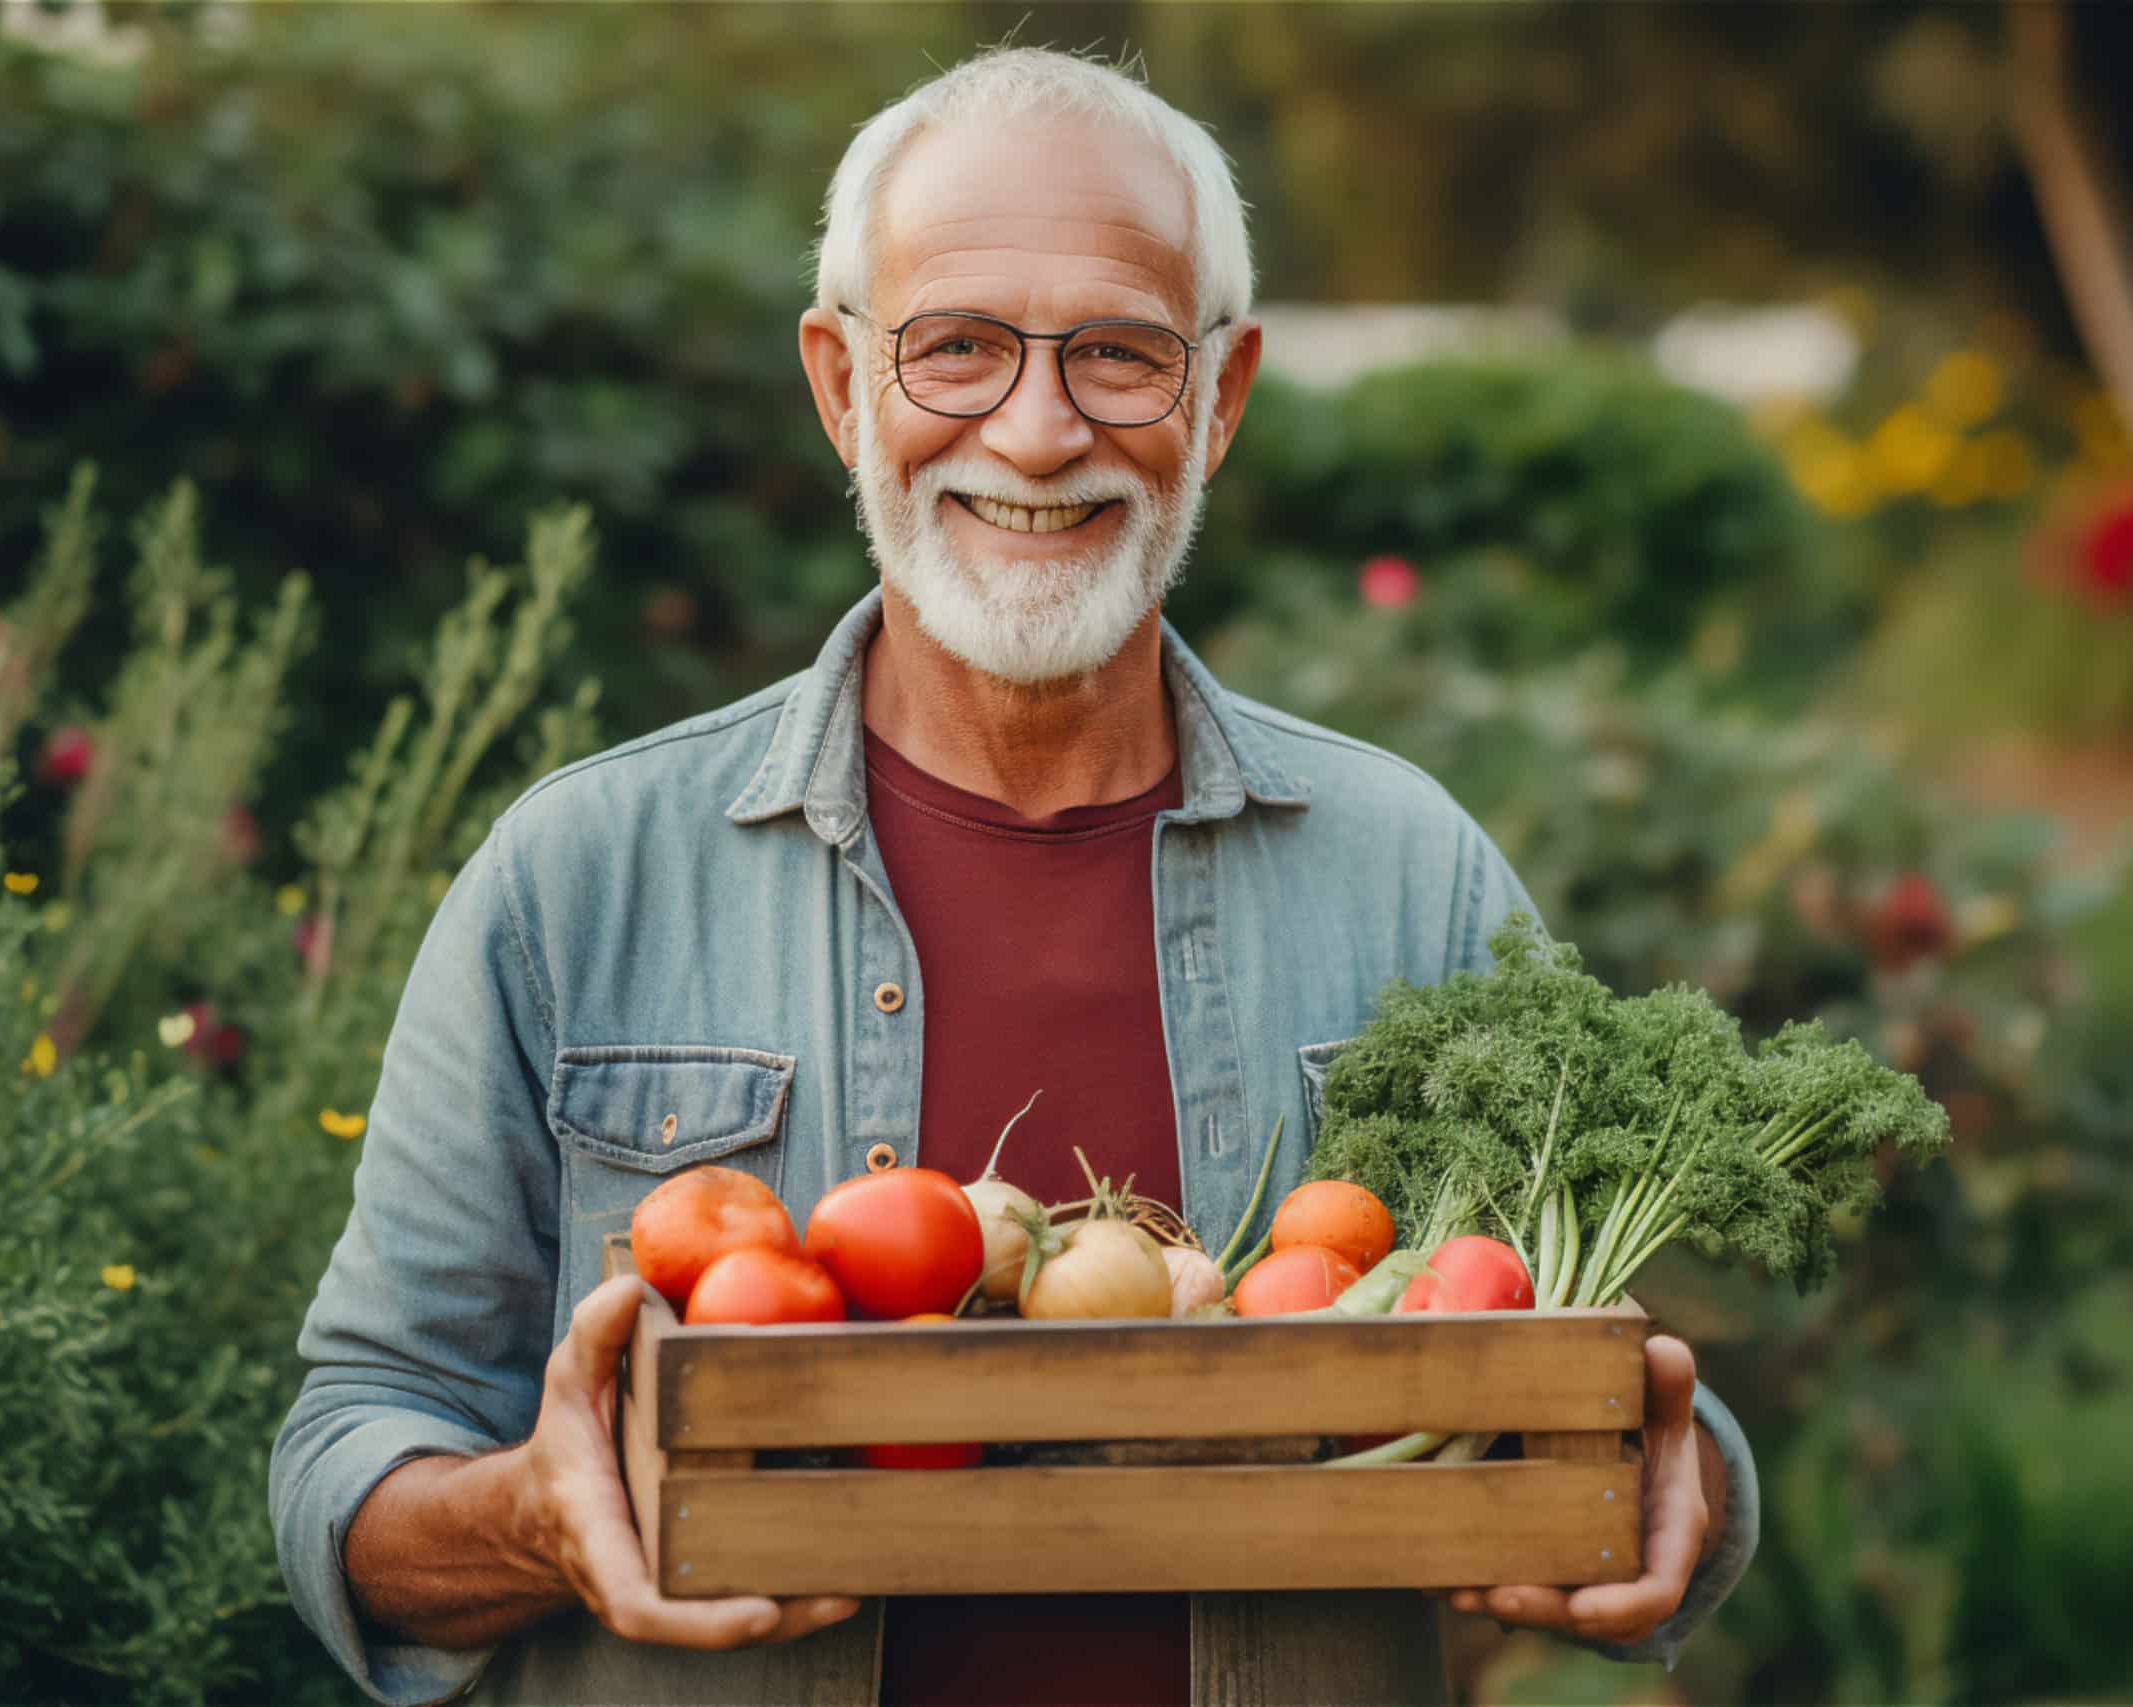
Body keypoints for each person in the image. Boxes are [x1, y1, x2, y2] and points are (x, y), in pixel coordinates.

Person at [271, 44, 1759, 1707]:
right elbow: (353, 1456)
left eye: (1121, 353)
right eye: (957, 348)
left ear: (1222, 395)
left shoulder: (1410, 873)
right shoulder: (582, 877)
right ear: (843, 387)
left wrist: (1674, 1493)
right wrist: (539, 1523)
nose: (1039, 434)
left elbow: (1602, 1391)